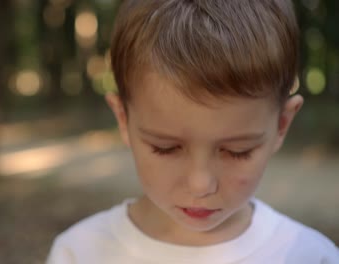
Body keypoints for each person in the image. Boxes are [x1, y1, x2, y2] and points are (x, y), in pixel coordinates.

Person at [46, 0, 339, 263]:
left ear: (281, 125)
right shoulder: (80, 252)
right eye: (166, 147)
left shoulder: (311, 256)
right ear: (123, 118)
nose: (201, 185)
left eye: (238, 152)